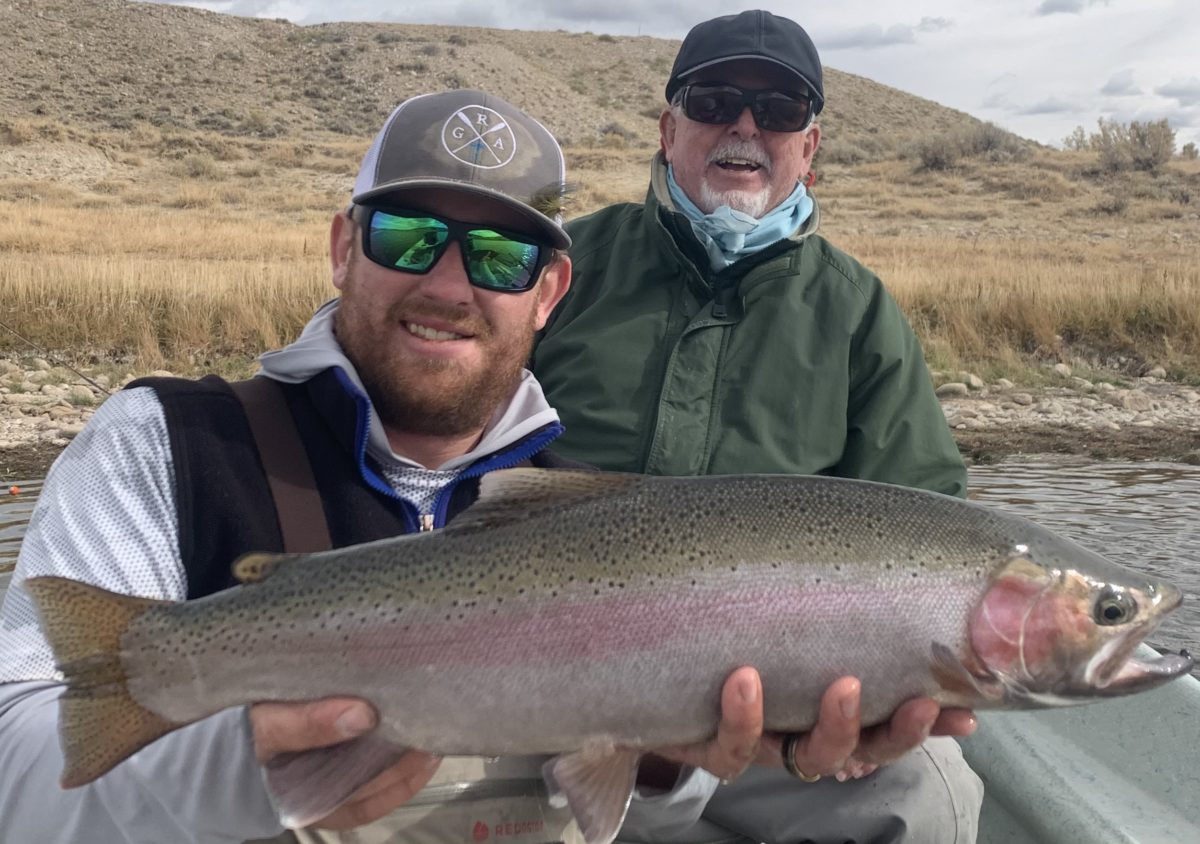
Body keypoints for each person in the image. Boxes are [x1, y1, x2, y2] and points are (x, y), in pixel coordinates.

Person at [0, 89, 943, 844]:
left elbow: (627, 817)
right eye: (407, 238)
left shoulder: (592, 510)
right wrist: (243, 763)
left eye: (499, 256)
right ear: (341, 249)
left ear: (548, 293)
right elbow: (16, 782)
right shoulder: (168, 443)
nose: (449, 285)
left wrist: (664, 766)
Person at [532, 10, 982, 844]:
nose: (745, 125)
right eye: (715, 100)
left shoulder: (857, 311)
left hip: (767, 726)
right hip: (536, 679)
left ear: (809, 148)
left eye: (778, 112)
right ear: (670, 130)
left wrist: (856, 711)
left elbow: (925, 523)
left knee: (928, 795)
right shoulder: (560, 265)